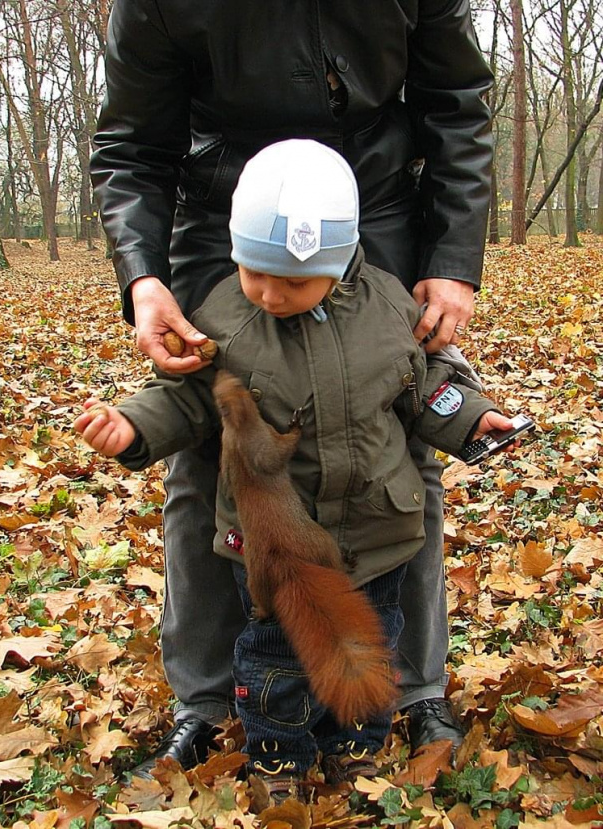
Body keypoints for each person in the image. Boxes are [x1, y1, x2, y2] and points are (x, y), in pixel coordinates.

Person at [90, 0, 494, 776]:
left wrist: (453, 255)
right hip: (223, 209)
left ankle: (412, 688)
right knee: (211, 445)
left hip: (372, 202)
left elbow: (456, 106)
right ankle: (205, 704)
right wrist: (142, 276)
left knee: (399, 436)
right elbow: (133, 144)